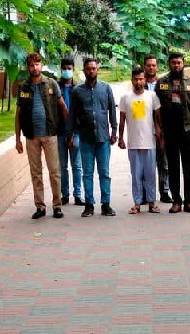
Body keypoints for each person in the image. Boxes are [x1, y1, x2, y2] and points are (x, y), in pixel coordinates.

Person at [14, 52, 68, 219]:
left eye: (37, 64)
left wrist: (68, 131)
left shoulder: (51, 83)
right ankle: (40, 207)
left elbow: (63, 107)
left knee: (54, 171)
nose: (34, 68)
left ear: (41, 65)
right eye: (31, 65)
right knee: (35, 172)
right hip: (31, 137)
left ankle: (57, 206)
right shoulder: (24, 87)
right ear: (28, 67)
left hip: (50, 134)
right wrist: (17, 139)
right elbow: (18, 114)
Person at [154, 51, 190, 213]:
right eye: (173, 62)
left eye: (179, 62)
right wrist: (159, 128)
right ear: (169, 64)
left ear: (183, 64)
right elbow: (157, 109)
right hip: (170, 131)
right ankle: (176, 201)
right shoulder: (161, 83)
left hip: (188, 129)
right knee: (173, 167)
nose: (176, 65)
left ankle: (188, 201)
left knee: (189, 167)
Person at [71, 58, 118, 217]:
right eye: (88, 69)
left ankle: (106, 204)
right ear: (84, 71)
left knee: (104, 172)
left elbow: (112, 110)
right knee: (87, 173)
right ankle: (89, 204)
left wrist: (114, 132)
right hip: (86, 139)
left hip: (103, 138)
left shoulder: (106, 88)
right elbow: (72, 115)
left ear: (97, 70)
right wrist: (71, 134)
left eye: (94, 68)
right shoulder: (77, 91)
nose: (91, 71)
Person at [118, 66, 164, 214]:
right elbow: (122, 120)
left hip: (150, 142)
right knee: (136, 175)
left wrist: (160, 135)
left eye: (141, 79)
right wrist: (120, 138)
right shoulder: (126, 98)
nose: (139, 81)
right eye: (136, 79)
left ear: (145, 80)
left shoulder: (152, 96)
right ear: (132, 80)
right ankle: (137, 203)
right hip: (133, 143)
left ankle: (152, 203)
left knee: (150, 174)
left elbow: (158, 118)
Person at [143, 54, 172, 204]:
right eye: (148, 65)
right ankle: (145, 193)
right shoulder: (140, 84)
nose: (151, 68)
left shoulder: (163, 84)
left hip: (162, 128)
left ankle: (165, 191)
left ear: (157, 67)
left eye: (153, 65)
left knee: (163, 162)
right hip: (145, 129)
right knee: (146, 164)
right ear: (144, 67)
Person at [56, 58, 84, 205]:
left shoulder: (78, 89)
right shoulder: (55, 88)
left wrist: (73, 133)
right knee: (62, 166)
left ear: (73, 69)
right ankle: (65, 195)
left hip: (76, 132)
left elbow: (79, 113)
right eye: (64, 68)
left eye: (69, 68)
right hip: (60, 132)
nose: (67, 70)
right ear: (61, 69)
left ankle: (77, 194)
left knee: (77, 165)